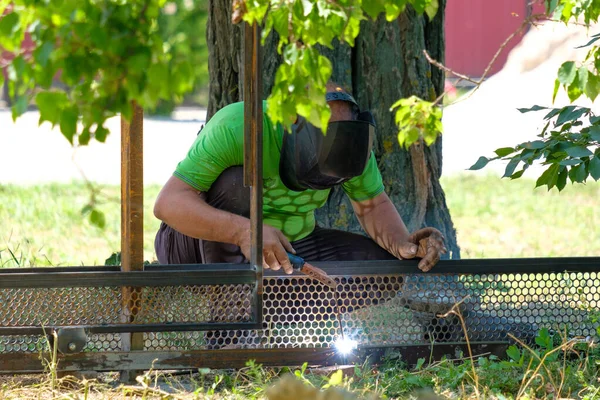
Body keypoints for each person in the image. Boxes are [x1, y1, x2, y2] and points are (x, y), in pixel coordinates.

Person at [153, 83, 447, 273]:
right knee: (235, 183)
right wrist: (246, 232)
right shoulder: (241, 125)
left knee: (382, 271)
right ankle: (232, 327)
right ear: (293, 127)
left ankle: (282, 309)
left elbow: (372, 205)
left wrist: (403, 246)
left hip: (289, 248)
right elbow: (168, 203)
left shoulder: (352, 144)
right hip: (194, 246)